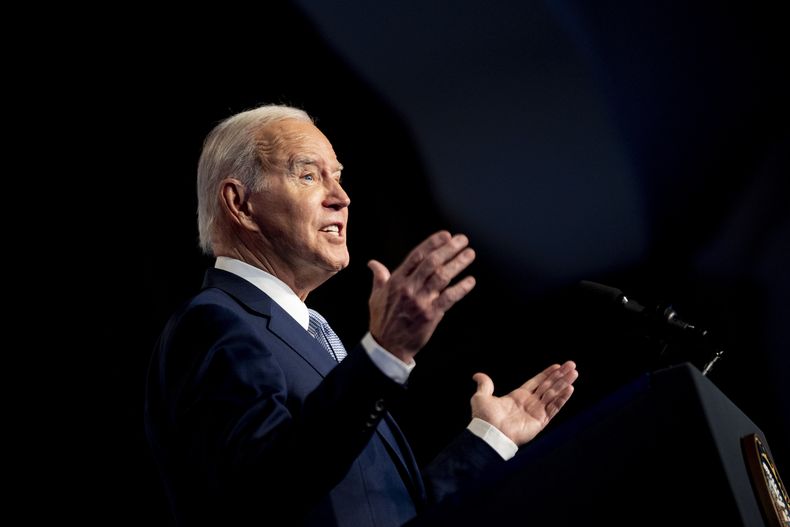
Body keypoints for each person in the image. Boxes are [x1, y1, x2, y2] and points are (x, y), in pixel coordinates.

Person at [144, 104, 579, 526]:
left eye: (338, 177)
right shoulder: (214, 324)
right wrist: (383, 355)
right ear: (240, 204)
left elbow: (387, 512)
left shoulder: (307, 336)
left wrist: (488, 438)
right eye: (309, 175)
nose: (342, 198)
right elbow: (265, 491)